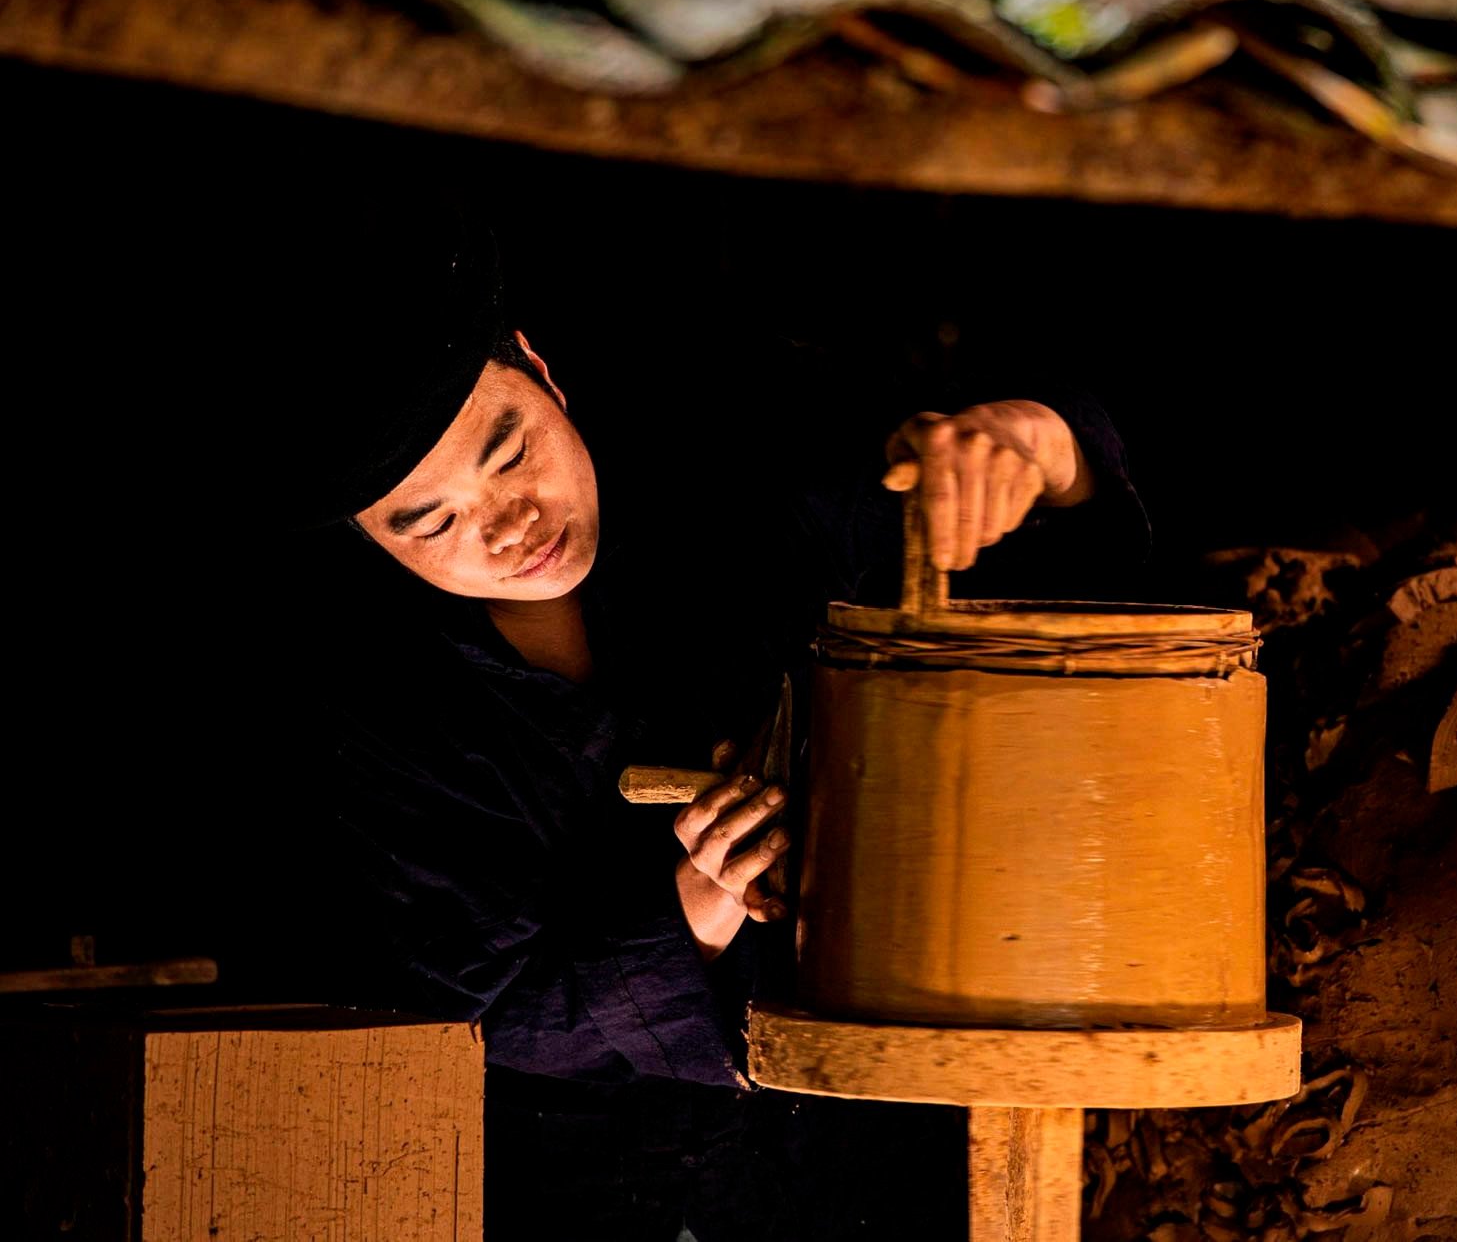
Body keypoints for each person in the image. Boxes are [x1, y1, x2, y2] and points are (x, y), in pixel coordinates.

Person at [264, 203, 1150, 1238]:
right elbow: (477, 1006)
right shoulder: (384, 720)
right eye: (433, 521)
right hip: (606, 1191)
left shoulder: (730, 512)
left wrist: (1035, 449)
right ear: (378, 543)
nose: (507, 526)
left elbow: (1012, 549)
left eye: (510, 452)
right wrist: (690, 912)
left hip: (880, 1134)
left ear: (544, 373)